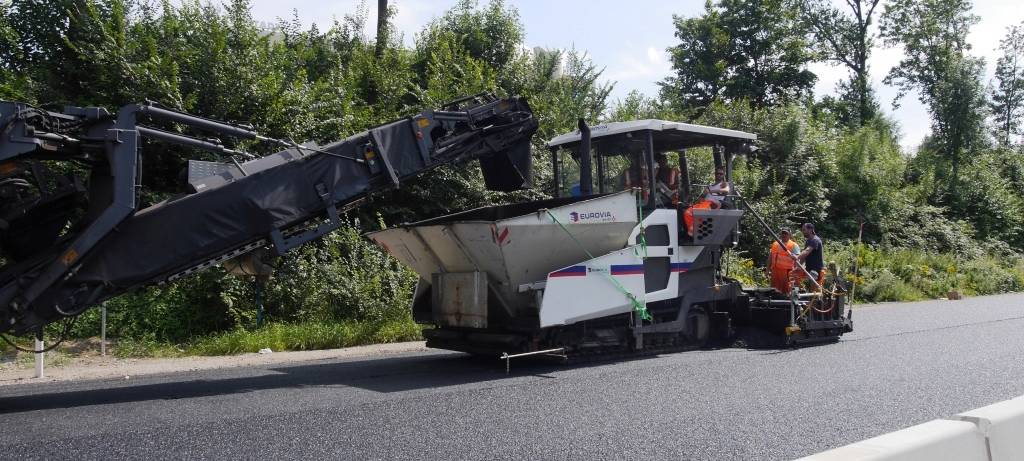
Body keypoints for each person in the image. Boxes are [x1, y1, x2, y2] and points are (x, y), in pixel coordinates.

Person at [769, 229, 800, 294]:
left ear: (789, 235)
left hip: (787, 272)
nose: (784, 235)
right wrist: (767, 269)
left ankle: (787, 302)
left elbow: (798, 258)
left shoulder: (794, 245)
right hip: (775, 271)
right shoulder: (775, 244)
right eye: (783, 233)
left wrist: (796, 272)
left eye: (786, 233)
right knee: (774, 290)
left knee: (786, 290)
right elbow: (770, 257)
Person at [797, 222, 825, 289]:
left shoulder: (815, 240)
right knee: (805, 287)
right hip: (809, 269)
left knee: (814, 290)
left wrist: (796, 257)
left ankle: (816, 299)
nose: (802, 232)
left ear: (810, 230)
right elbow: (804, 256)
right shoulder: (808, 241)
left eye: (804, 230)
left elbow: (807, 251)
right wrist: (799, 266)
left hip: (815, 270)